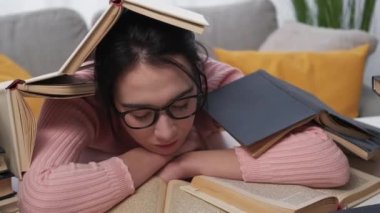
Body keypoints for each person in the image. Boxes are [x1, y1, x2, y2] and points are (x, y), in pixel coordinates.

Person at [19, 11, 350, 212]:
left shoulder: (212, 77)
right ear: (107, 97)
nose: (165, 132)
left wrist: (186, 161)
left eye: (181, 105)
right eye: (140, 114)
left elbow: (325, 159)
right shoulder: (80, 93)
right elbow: (41, 200)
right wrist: (156, 156)